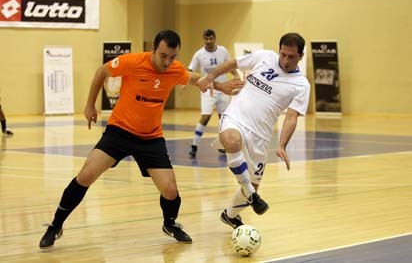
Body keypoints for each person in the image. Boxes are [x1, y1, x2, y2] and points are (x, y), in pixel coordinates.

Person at [39, 30, 244, 249]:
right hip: (120, 131)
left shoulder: (174, 69)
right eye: (163, 55)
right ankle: (55, 225)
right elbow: (101, 72)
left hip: (150, 137)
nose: (167, 61)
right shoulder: (132, 62)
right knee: (86, 175)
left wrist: (221, 86)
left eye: (172, 57)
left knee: (170, 190)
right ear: (153, 49)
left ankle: (170, 224)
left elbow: (194, 78)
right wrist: (90, 105)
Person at [197, 33, 310, 229]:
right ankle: (252, 194)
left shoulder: (301, 85)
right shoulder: (264, 56)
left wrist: (282, 145)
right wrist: (210, 77)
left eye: (291, 56)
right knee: (231, 141)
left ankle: (231, 215)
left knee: (252, 185)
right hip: (235, 117)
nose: (285, 60)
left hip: (261, 137)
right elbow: (233, 63)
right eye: (283, 54)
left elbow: (291, 116)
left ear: (301, 55)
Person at [188, 29, 240, 158]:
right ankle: (194, 145)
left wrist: (237, 76)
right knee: (205, 116)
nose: (209, 41)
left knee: (224, 118)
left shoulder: (222, 51)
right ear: (203, 39)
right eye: (206, 39)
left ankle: (223, 145)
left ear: (215, 38)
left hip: (223, 89)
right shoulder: (199, 54)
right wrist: (186, 81)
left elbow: (230, 66)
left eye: (211, 38)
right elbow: (190, 69)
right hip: (207, 89)